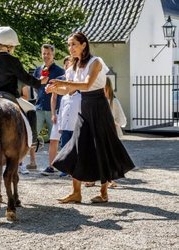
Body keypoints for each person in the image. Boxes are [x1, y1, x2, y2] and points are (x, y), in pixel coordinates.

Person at [46, 32, 135, 203]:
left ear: (83, 44)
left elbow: (87, 84)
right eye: (68, 45)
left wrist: (63, 83)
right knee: (75, 147)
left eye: (73, 44)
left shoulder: (96, 62)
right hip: (84, 107)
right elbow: (69, 90)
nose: (70, 48)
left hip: (99, 107)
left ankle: (103, 193)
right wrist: (54, 90)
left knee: (100, 148)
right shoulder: (72, 67)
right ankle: (76, 192)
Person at [0, 26, 48, 150]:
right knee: (31, 109)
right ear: (9, 45)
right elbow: (25, 78)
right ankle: (34, 141)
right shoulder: (13, 60)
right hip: (9, 96)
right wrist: (40, 82)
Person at [26, 44, 65, 174]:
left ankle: (56, 165)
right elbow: (36, 86)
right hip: (39, 107)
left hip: (54, 109)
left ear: (53, 55)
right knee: (32, 135)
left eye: (48, 53)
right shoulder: (38, 70)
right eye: (44, 53)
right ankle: (32, 162)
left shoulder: (60, 71)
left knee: (56, 139)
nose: (46, 56)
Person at [84, 77, 127, 188]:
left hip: (110, 133)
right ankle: (92, 178)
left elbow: (121, 119)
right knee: (94, 155)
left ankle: (110, 179)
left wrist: (112, 122)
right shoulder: (94, 101)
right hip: (96, 131)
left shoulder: (114, 101)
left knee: (108, 156)